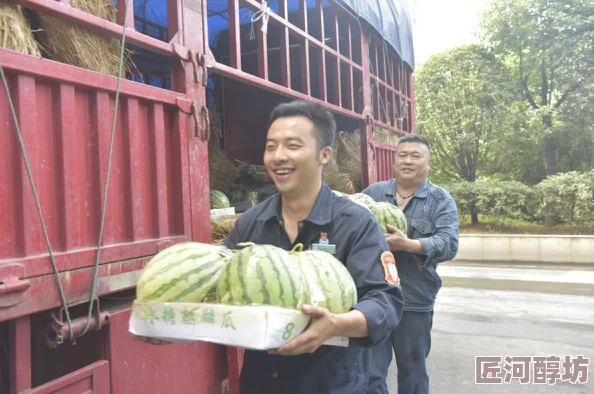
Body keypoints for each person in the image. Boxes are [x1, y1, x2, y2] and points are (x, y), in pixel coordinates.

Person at [224, 100, 405, 394]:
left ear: (324, 155)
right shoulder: (251, 223)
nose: (278, 156)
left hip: (331, 384)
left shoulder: (356, 223)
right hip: (261, 383)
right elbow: (222, 284)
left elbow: (385, 301)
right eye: (271, 147)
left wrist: (335, 324)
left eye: (293, 146)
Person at [363, 134, 459, 394]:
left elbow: (448, 243)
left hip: (414, 298)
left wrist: (408, 245)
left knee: (412, 369)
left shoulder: (440, 200)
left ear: (428, 163)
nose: (407, 161)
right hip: (374, 295)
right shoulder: (372, 194)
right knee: (370, 372)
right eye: (402, 155)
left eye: (415, 156)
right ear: (394, 161)